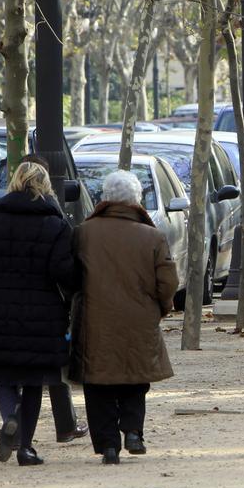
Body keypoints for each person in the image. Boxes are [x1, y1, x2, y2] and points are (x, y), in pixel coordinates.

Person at [0, 162, 77, 466]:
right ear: (45, 186)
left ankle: (10, 415)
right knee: (33, 381)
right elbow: (63, 272)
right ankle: (26, 448)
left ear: (14, 182)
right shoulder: (55, 224)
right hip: (42, 314)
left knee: (3, 376)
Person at [74, 170, 178, 465]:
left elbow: (71, 276)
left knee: (98, 380)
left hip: (96, 319)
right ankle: (133, 431)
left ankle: (108, 444)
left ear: (104, 198)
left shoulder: (84, 232)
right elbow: (168, 281)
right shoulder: (153, 236)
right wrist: (161, 307)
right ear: (137, 200)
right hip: (140, 317)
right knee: (135, 377)